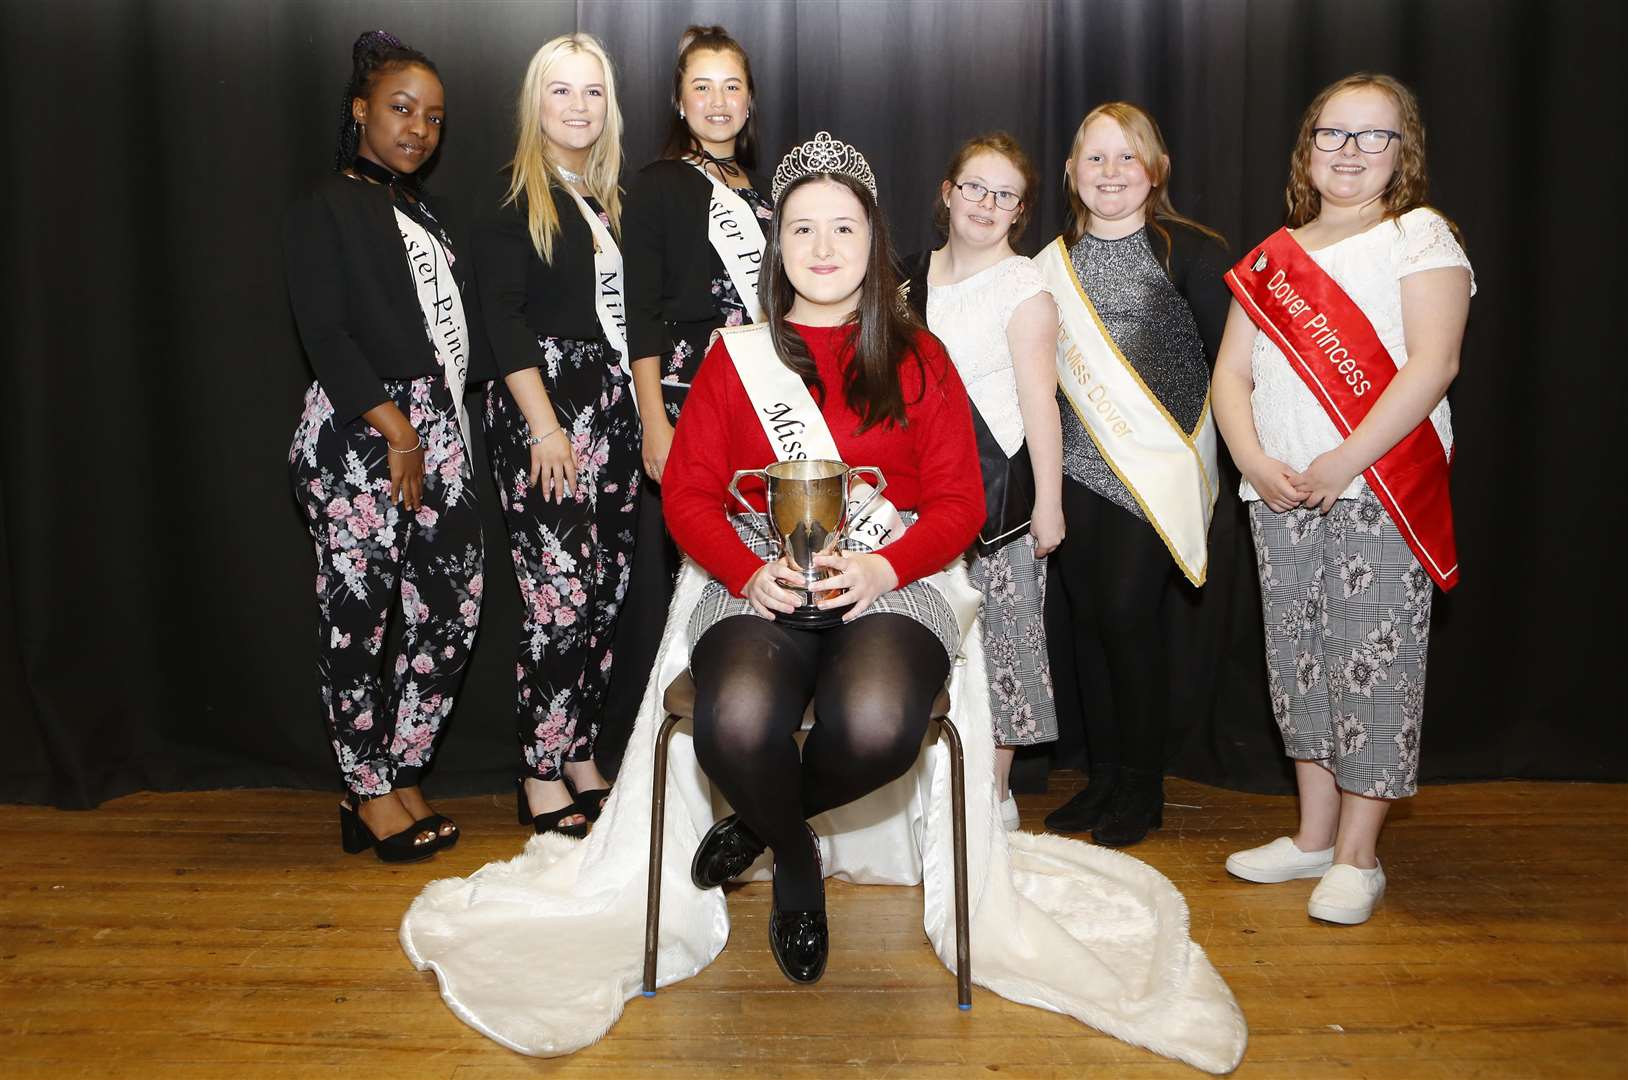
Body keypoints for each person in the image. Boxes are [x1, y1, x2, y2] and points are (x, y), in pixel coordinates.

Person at [661, 133, 985, 983]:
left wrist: (883, 569)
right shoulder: (738, 359)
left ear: (874, 242)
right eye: (802, 230)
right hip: (761, 574)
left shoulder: (919, 356)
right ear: (779, 247)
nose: (823, 248)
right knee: (732, 721)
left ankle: (764, 822)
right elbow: (688, 495)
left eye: (843, 228)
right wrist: (743, 573)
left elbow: (960, 503)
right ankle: (797, 869)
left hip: (891, 571)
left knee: (878, 725)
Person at [1214, 73, 1473, 925]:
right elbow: (1232, 378)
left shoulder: (1418, 235)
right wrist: (1252, 462)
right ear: (1307, 147)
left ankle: (1361, 857)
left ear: (1405, 152)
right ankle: (1315, 838)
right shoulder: (1271, 255)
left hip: (1374, 491)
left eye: (1373, 136)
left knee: (1374, 667)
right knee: (1299, 669)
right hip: (1281, 495)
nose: (1351, 151)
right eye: (1334, 133)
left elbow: (1431, 365)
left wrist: (1340, 462)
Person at [285, 30, 486, 862]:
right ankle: (365, 793)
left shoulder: (422, 214)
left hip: (437, 429)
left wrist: (433, 430)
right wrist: (397, 430)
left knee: (451, 611)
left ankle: (400, 770)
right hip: (361, 432)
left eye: (434, 118)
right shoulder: (321, 206)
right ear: (361, 109)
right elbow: (325, 334)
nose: (418, 130)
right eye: (402, 110)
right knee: (358, 621)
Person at [1035, 102, 1230, 847]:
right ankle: (1104, 779)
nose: (1110, 173)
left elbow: (1234, 366)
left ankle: (1143, 790)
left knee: (1127, 623)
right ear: (1071, 173)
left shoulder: (1194, 251)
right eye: (1095, 158)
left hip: (1154, 475)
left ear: (1154, 169)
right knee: (1087, 628)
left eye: (1127, 157)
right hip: (1076, 474)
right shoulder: (1051, 263)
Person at [476, 33, 640, 838]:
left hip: (609, 410)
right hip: (546, 411)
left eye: (593, 92)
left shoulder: (609, 201)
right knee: (560, 593)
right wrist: (543, 426)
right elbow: (499, 319)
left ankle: (578, 750)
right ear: (535, 103)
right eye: (561, 91)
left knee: (604, 593)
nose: (578, 107)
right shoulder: (519, 195)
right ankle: (538, 771)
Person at [602, 25, 773, 770]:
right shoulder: (660, 184)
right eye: (701, 86)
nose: (717, 100)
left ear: (751, 101)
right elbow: (639, 311)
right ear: (678, 99)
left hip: (761, 401)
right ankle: (697, 756)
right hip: (687, 400)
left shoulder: (762, 196)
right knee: (704, 569)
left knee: (755, 566)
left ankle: (751, 733)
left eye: (731, 85)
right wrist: (653, 419)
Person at [901, 132, 1063, 832]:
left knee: (1004, 644)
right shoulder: (904, 279)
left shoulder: (1024, 285)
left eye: (1005, 195)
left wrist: (1050, 506)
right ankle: (927, 787)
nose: (986, 204)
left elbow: (1040, 405)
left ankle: (994, 793)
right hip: (912, 501)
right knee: (927, 644)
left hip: (1001, 502)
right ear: (947, 191)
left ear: (1020, 210)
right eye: (975, 187)